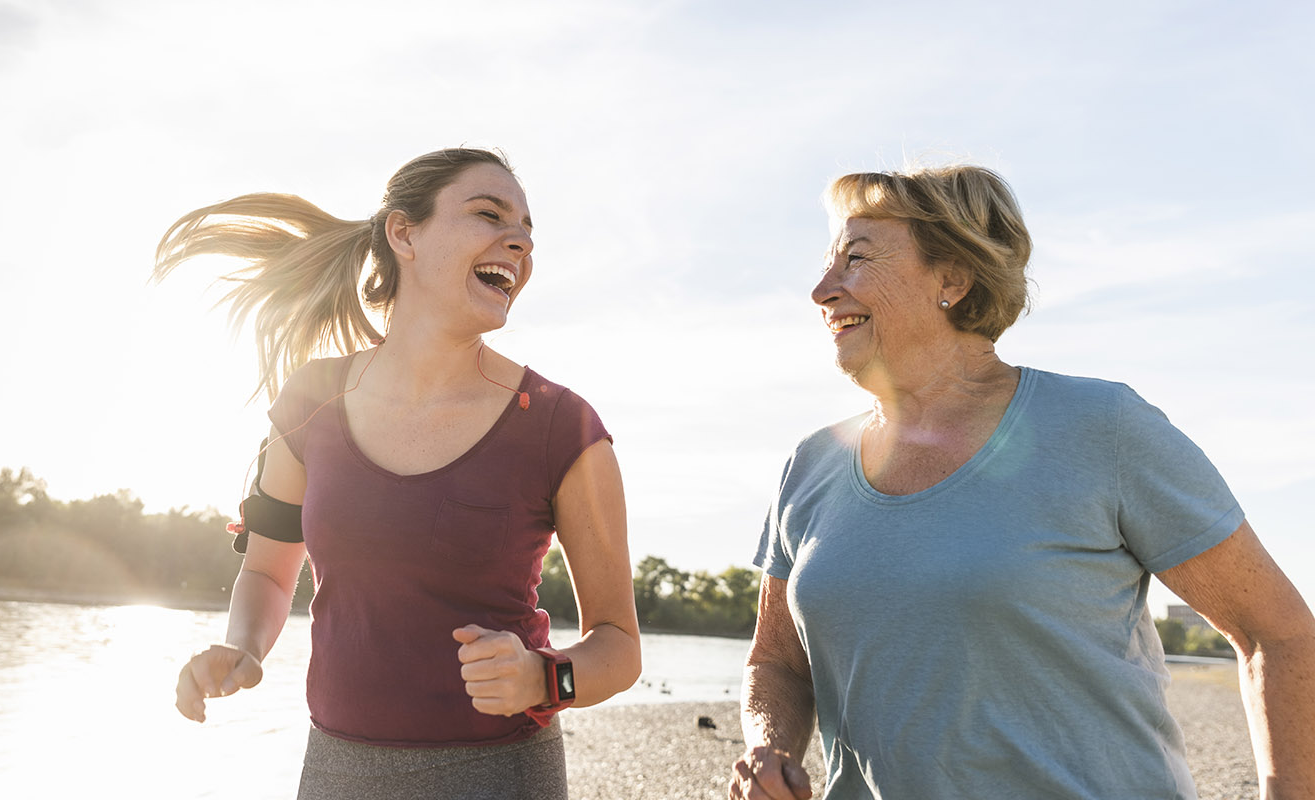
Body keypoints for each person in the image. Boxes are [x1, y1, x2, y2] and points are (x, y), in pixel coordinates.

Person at [731, 165, 1315, 799]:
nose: (822, 289)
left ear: (951, 278)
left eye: (857, 259)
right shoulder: (808, 466)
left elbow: (1278, 636)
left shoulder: (1104, 429)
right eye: (826, 264)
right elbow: (778, 662)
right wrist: (770, 748)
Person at [156, 148, 641, 800]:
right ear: (403, 232)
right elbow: (268, 570)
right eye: (488, 214)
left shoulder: (562, 426)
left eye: (527, 229)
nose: (520, 241)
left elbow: (618, 645)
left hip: (499, 774)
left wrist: (544, 678)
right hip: (334, 770)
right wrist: (244, 649)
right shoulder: (310, 401)